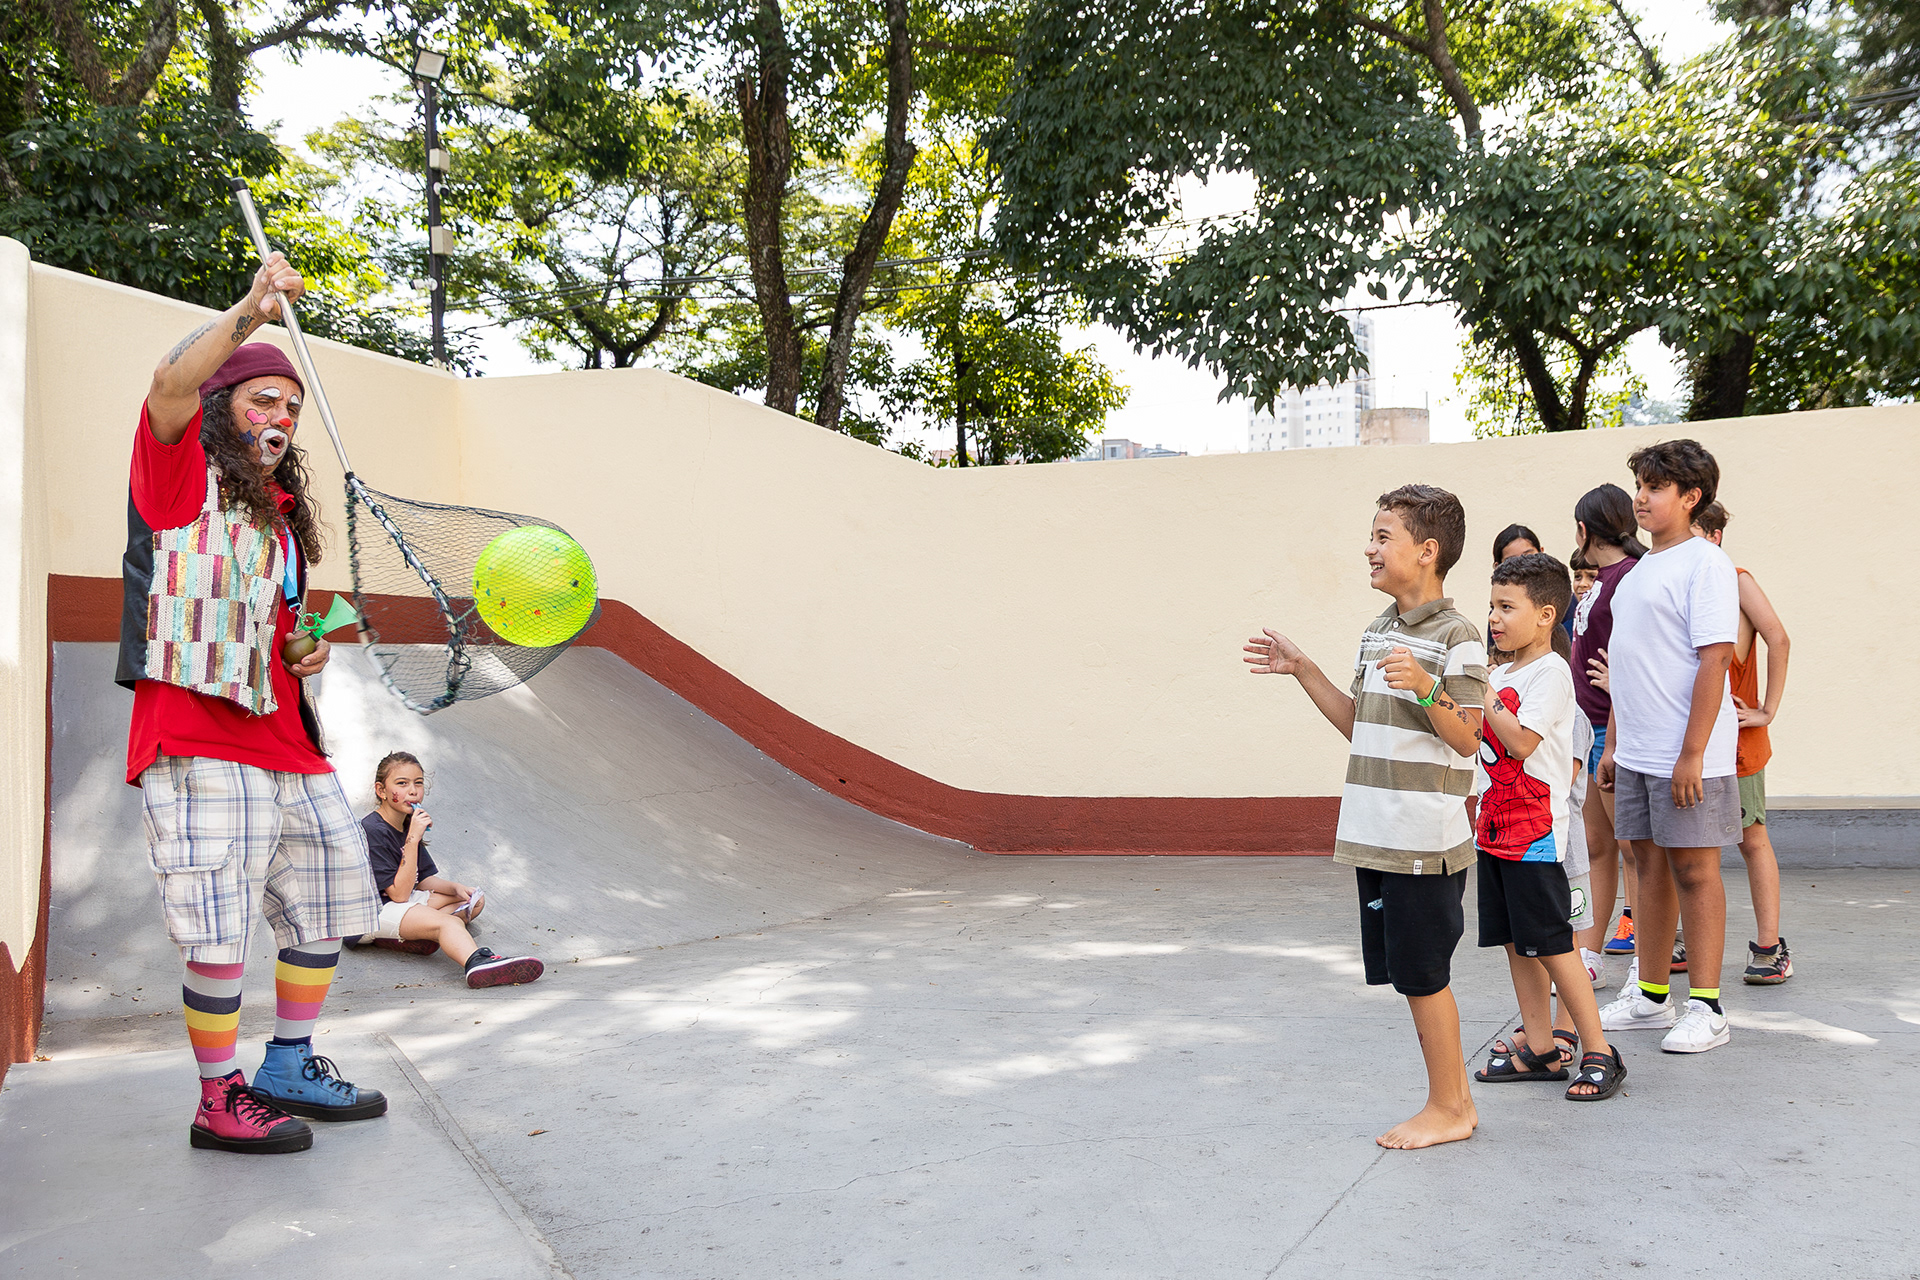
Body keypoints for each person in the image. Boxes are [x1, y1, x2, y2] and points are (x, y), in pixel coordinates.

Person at [126, 256, 385, 1154]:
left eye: (291, 407)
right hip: (198, 736)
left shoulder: (278, 519)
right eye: (261, 399)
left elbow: (277, 636)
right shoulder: (177, 477)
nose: (279, 416)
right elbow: (167, 383)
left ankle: (288, 1065)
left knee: (330, 898)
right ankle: (217, 1097)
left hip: (287, 743)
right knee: (219, 924)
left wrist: (305, 650)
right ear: (221, 407)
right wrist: (252, 309)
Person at [1244, 485, 1487, 1149]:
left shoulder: (1459, 637)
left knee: (1425, 976)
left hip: (1423, 840)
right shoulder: (1379, 630)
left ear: (1427, 551)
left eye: (1383, 537)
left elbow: (1469, 737)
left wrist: (1428, 688)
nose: (1369, 549)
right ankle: (1456, 1102)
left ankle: (1449, 1109)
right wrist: (1304, 669)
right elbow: (1361, 725)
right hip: (1377, 837)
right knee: (1410, 976)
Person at [1598, 440, 1742, 1054]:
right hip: (1637, 752)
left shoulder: (1706, 564)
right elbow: (1630, 667)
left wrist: (1692, 754)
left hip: (1688, 756)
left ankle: (1707, 1008)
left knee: (1694, 871)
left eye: (1655, 488)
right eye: (1640, 485)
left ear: (1691, 497)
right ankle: (1652, 997)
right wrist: (1614, 746)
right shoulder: (1637, 573)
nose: (1641, 497)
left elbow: (1716, 660)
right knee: (1647, 867)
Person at [1470, 553, 1625, 1099]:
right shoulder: (1500, 673)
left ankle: (1600, 1050)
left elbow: (1520, 742)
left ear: (1545, 615)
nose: (1494, 618)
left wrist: (1481, 692)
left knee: (1555, 946)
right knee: (1516, 943)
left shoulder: (1552, 673)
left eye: (1507, 607)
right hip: (1493, 831)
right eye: (1492, 606)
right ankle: (1539, 1047)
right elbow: (1474, 742)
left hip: (1535, 836)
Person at [1693, 502, 1794, 983]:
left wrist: (1767, 710)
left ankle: (1770, 948)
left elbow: (1779, 639)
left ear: (1713, 536)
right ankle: (1681, 941)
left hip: (1736, 743)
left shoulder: (1736, 581)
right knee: (1687, 844)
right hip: (1691, 740)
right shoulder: (1682, 583)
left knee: (1751, 839)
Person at [359, 752, 544, 988]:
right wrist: (413, 838)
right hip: (372, 912)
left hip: (397, 903)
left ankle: (407, 938)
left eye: (418, 783)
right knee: (449, 923)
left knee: (472, 901)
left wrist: (456, 888)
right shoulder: (373, 829)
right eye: (402, 783)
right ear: (381, 790)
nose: (413, 791)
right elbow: (400, 895)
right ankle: (476, 963)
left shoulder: (405, 823)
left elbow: (423, 879)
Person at [1569, 485, 1647, 969]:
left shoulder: (1630, 575)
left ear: (1584, 529)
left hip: (1612, 728)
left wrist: (1619, 688)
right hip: (1588, 727)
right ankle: (1590, 954)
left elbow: (1642, 648)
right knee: (1597, 846)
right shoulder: (1604, 578)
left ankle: (1646, 962)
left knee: (1633, 849)